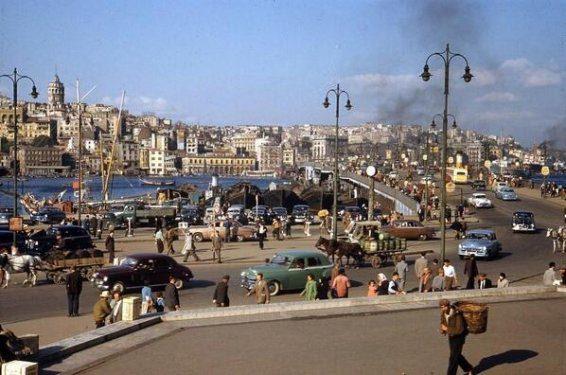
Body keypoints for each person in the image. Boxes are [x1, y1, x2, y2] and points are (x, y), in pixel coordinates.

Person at [439, 299, 474, 375]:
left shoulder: (457, 314)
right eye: (441, 307)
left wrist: (447, 329)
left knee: (453, 358)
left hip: (459, 337)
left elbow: (459, 329)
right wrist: (443, 329)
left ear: (448, 306)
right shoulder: (443, 312)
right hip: (451, 336)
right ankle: (469, 369)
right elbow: (443, 321)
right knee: (456, 355)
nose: (442, 309)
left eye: (443, 307)